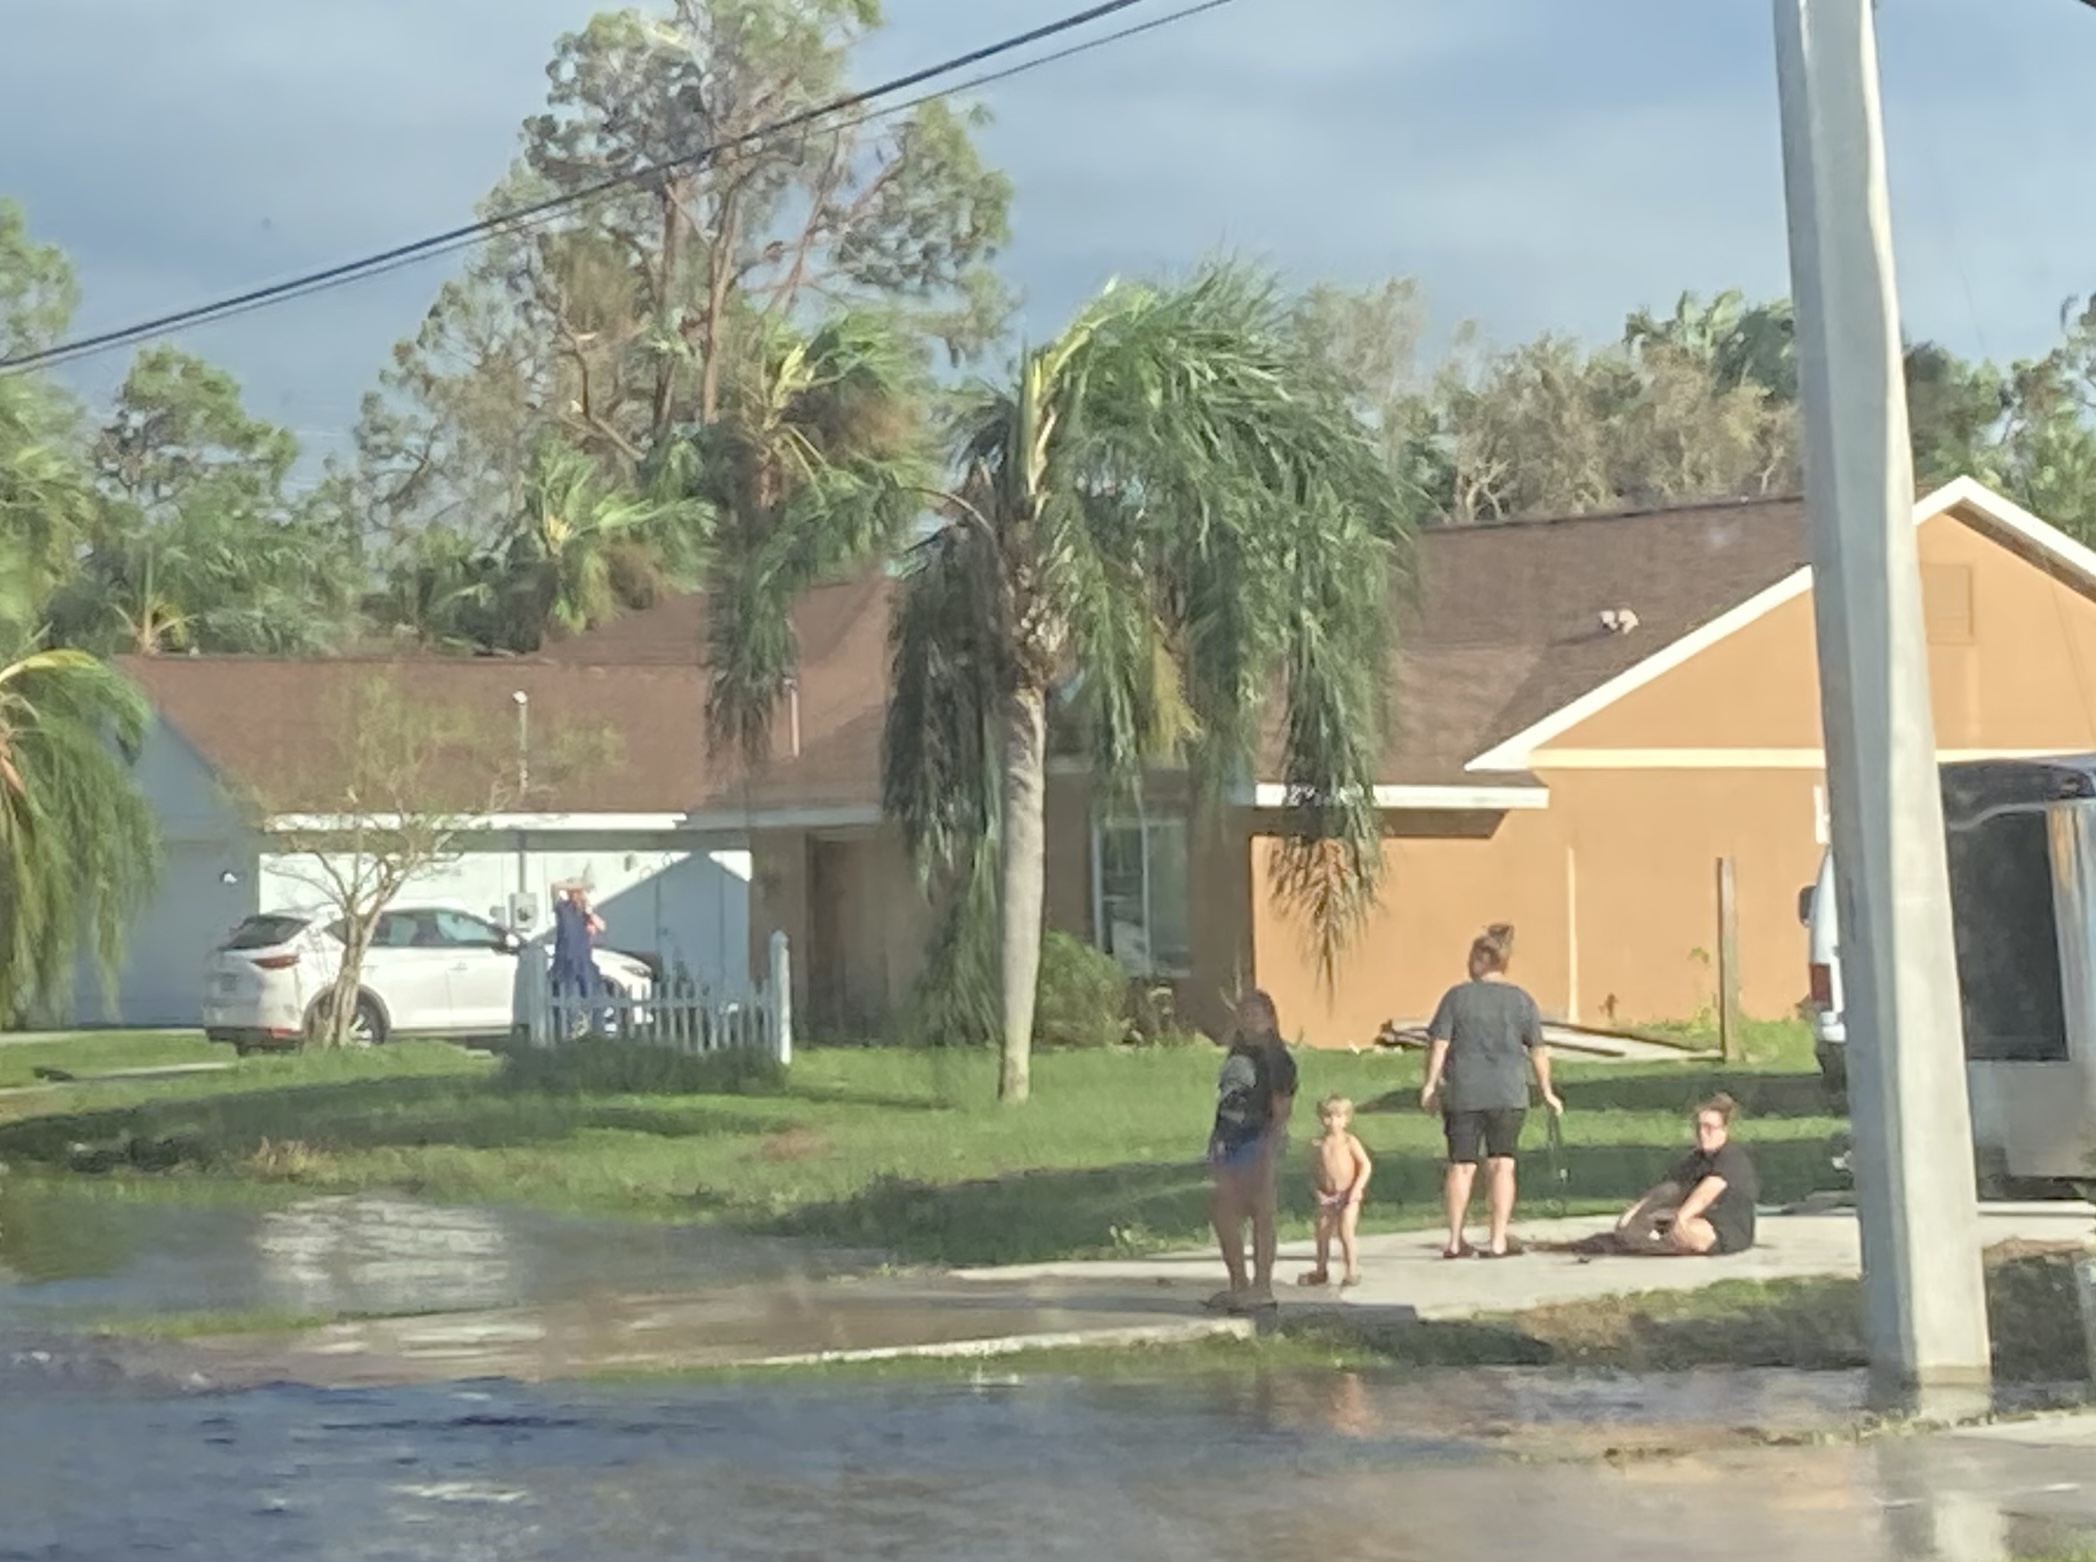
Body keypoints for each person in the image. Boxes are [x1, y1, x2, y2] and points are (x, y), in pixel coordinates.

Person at [1420, 923, 1563, 1259]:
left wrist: (1430, 1085)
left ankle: (1455, 1241)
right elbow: (1538, 1051)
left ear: (1483, 958)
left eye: (1473, 956)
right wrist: (1547, 1090)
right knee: (1503, 1165)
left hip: (1464, 1093)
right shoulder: (1522, 1000)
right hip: (1508, 1094)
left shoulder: (1456, 997)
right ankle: (1498, 1240)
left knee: (1461, 1166)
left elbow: (1439, 1044)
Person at [1205, 989, 1297, 1314]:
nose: (1248, 1021)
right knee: (1224, 1212)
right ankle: (1238, 1284)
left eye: (1255, 1014)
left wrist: (1269, 1149)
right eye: (1243, 1014)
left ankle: (1262, 1286)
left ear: (1270, 1020)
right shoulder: (1238, 1054)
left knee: (1260, 1212)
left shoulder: (1276, 1059)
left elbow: (1281, 1108)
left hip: (1257, 1138)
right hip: (1229, 1139)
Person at [1613, 1094, 1760, 1256]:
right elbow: (1669, 1188)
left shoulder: (1732, 1158)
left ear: (1724, 1129)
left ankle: (1656, 1241)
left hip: (1725, 1229)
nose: (1703, 1133)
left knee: (1680, 1230)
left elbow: (1706, 1193)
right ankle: (1654, 1240)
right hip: (1691, 1219)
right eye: (1699, 1127)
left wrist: (1681, 1218)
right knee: (1644, 1224)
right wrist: (1635, 1211)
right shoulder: (1694, 1160)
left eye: (1709, 1128)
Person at [1299, 1094, 1372, 1289]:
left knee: (1346, 1230)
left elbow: (1365, 1165)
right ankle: (1321, 1270)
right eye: (1328, 1117)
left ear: (1347, 1119)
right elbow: (1311, 1170)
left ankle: (1351, 1271)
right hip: (1327, 1195)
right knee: (1322, 1232)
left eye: (1339, 1117)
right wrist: (1316, 1190)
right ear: (1321, 1118)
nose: (1333, 1122)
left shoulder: (1349, 1141)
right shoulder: (1317, 1144)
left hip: (1348, 1194)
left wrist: (1357, 1188)